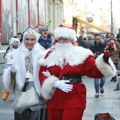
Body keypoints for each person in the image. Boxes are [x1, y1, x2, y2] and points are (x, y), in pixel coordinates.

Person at [38, 25, 117, 120]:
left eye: (65, 38)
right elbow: (42, 73)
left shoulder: (81, 54)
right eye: (59, 39)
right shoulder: (48, 55)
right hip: (55, 97)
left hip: (74, 96)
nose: (62, 41)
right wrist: (54, 83)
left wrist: (105, 56)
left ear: (71, 40)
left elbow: (96, 71)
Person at [2, 28, 47, 120]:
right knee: (22, 115)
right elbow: (11, 79)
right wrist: (11, 69)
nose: (29, 42)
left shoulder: (42, 54)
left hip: (37, 88)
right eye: (27, 39)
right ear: (23, 39)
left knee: (36, 115)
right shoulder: (15, 54)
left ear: (36, 40)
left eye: (32, 39)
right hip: (21, 88)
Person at [90, 34, 106, 98]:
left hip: (102, 63)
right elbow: (89, 54)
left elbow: (106, 54)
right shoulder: (92, 46)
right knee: (96, 78)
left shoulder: (104, 46)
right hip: (95, 63)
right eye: (97, 39)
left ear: (101, 39)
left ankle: (101, 86)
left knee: (103, 79)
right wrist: (93, 55)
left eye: (99, 39)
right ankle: (97, 92)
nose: (98, 40)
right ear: (95, 39)